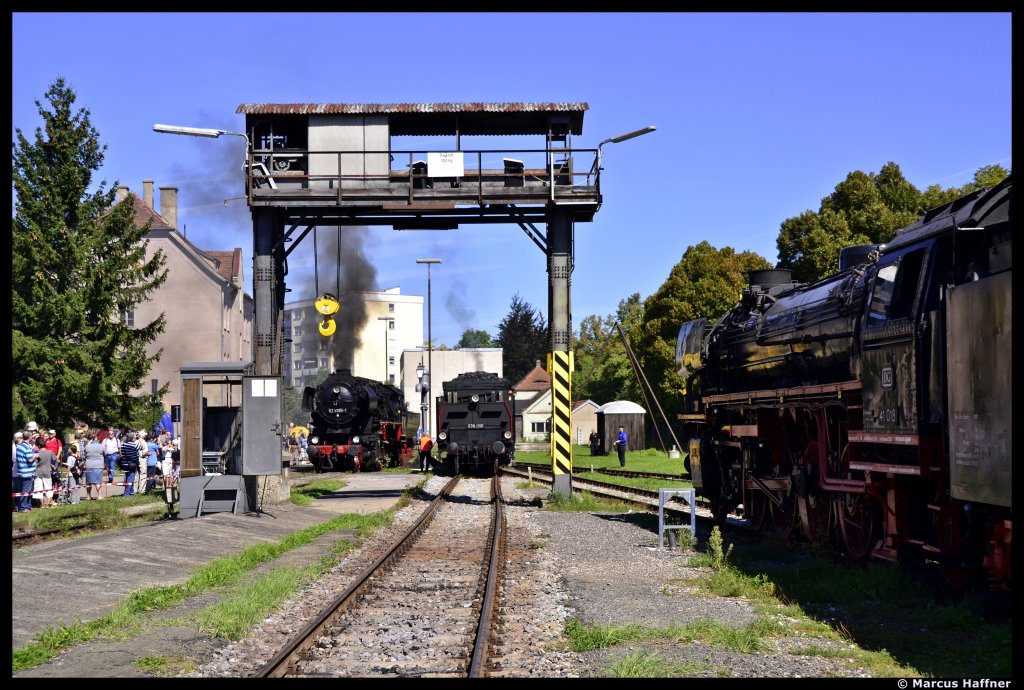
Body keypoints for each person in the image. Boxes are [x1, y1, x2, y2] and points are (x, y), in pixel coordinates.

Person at [15, 432, 36, 512]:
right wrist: (36, 456)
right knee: (26, 490)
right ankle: (23, 508)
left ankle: (23, 506)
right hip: (27, 472)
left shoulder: (19, 446)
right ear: (30, 437)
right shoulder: (26, 447)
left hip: (20, 471)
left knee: (21, 490)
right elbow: (30, 459)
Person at [34, 436, 57, 507]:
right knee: (48, 487)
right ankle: (49, 503)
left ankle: (41, 504)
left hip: (38, 472)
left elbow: (36, 464)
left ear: (38, 445)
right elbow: (56, 459)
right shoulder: (49, 452)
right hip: (47, 471)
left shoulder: (37, 454)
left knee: (38, 489)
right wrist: (53, 466)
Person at [82, 432, 106, 500]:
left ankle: (88, 496)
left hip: (89, 465)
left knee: (89, 482)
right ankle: (99, 496)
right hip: (98, 465)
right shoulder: (101, 446)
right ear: (97, 439)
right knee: (98, 481)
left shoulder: (87, 446)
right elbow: (105, 453)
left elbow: (84, 455)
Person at [119, 431, 140, 497]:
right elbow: (140, 447)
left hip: (124, 463)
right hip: (132, 464)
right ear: (132, 438)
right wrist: (138, 438)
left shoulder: (123, 444)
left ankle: (131, 492)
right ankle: (126, 494)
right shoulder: (135, 444)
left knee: (128, 477)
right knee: (130, 479)